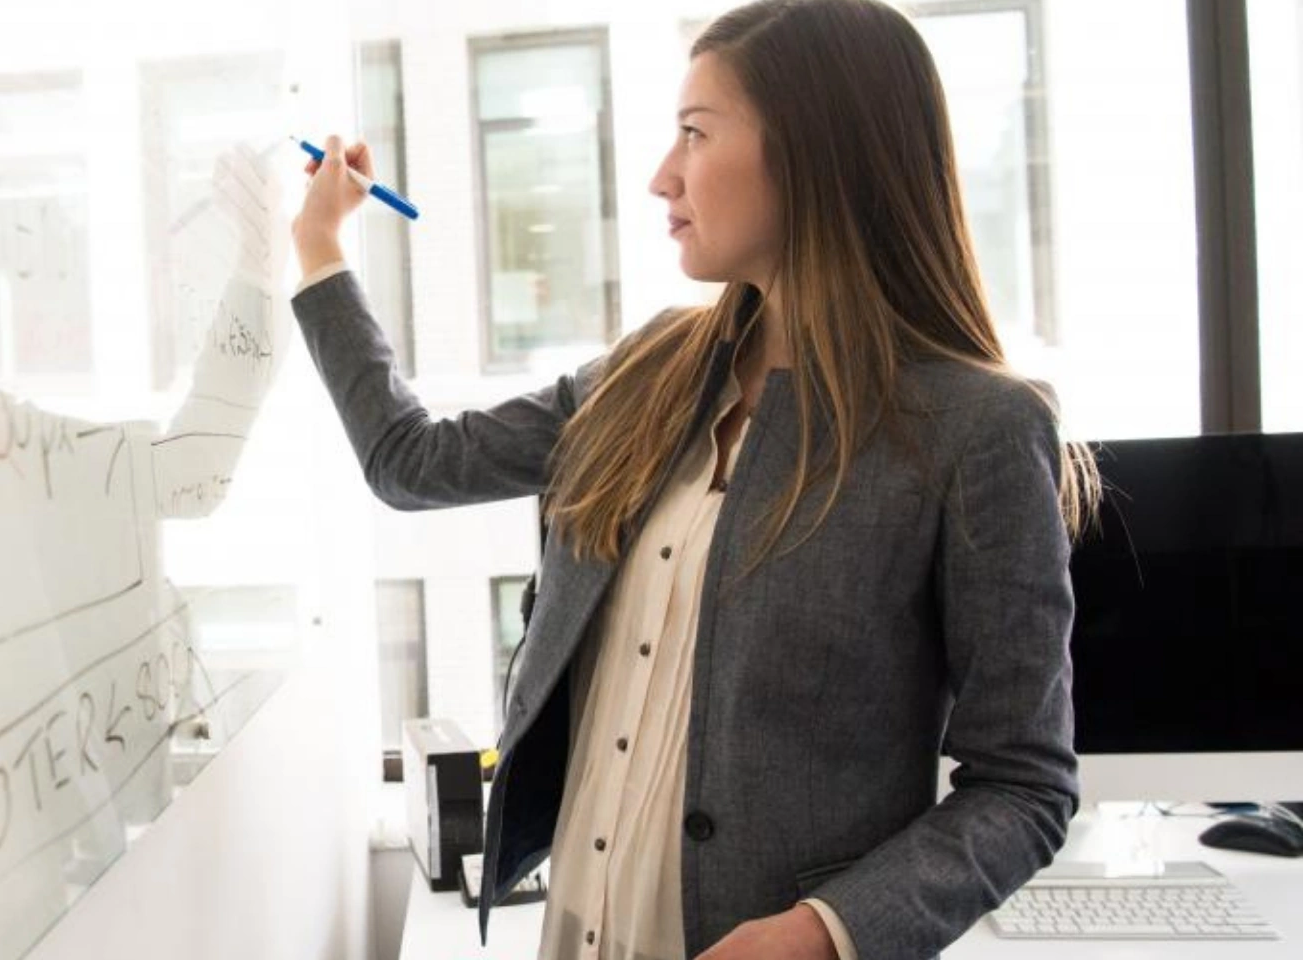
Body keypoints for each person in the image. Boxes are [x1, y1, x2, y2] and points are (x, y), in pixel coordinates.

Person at [288, 1, 1102, 958]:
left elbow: (1023, 784)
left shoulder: (978, 429)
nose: (660, 176)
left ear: (815, 152)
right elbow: (409, 462)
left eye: (694, 133)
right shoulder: (649, 373)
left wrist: (824, 934)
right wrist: (321, 250)